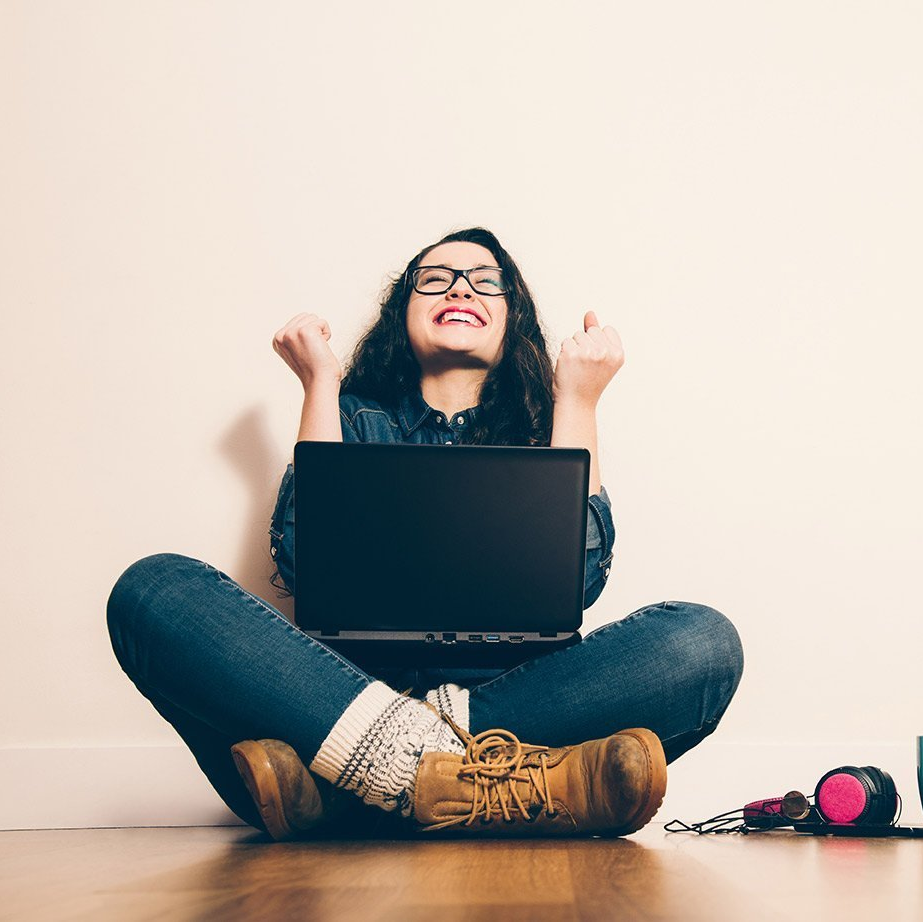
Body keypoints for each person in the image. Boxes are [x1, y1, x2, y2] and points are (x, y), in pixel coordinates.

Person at [107, 227, 744, 841]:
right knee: (154, 591)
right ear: (401, 313)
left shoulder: (539, 430)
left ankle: (359, 795)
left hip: (509, 702)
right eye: (435, 279)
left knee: (703, 644)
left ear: (510, 317)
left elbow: (579, 582)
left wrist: (577, 401)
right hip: (339, 691)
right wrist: (319, 385)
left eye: (483, 282)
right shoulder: (351, 418)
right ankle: (493, 787)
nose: (459, 288)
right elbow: (307, 562)